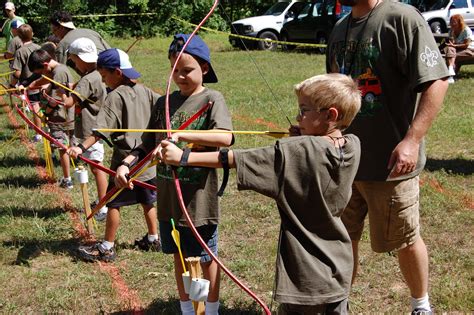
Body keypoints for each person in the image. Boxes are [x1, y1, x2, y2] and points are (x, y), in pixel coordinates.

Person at [153, 73, 361, 314]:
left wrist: (184, 157)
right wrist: (304, 137)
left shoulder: (297, 150)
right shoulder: (352, 145)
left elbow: (234, 158)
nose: (297, 117)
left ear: (331, 115)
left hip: (305, 278)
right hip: (339, 266)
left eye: (304, 110)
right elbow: (317, 152)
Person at [326, 0, 450, 314]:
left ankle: (421, 305)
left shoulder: (401, 18)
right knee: (341, 239)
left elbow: (436, 81)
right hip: (344, 162)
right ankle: (339, 304)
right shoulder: (339, 29)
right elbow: (333, 91)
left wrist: (412, 139)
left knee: (405, 237)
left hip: (391, 163)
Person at [115, 34, 233, 315]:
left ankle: (211, 309)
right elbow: (146, 144)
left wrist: (181, 135)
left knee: (205, 257)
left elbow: (226, 138)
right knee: (180, 254)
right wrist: (126, 165)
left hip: (198, 201)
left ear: (204, 68)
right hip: (169, 199)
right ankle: (188, 309)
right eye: (174, 69)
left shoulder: (212, 99)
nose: (179, 76)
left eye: (187, 69)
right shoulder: (162, 104)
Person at [68, 48, 161, 262]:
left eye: (104, 76)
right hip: (147, 160)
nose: (104, 81)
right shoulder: (146, 91)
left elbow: (100, 131)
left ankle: (107, 246)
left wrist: (81, 148)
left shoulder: (115, 96)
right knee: (147, 201)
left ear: (117, 72)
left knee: (113, 203)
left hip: (124, 164)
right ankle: (153, 237)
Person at [59, 37, 109, 221]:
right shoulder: (97, 75)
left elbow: (69, 103)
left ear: (81, 59)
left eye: (73, 60)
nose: (73, 64)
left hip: (91, 129)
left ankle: (103, 205)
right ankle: (101, 201)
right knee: (95, 165)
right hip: (95, 126)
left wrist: (62, 93)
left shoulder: (87, 79)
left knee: (97, 167)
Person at [28, 49, 75, 189]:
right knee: (67, 146)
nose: (42, 75)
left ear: (45, 64)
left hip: (60, 117)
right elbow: (48, 81)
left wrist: (44, 112)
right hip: (65, 116)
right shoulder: (58, 69)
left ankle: (67, 179)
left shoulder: (58, 72)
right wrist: (33, 85)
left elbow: (56, 100)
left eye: (41, 71)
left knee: (63, 148)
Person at [10, 24, 42, 142]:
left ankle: (39, 133)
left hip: (29, 84)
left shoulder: (20, 52)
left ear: (19, 37)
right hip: (42, 82)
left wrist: (12, 85)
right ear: (32, 34)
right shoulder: (39, 47)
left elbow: (17, 73)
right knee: (42, 105)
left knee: (35, 106)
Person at [444, 14, 474, 83]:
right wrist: (451, 44)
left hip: (469, 50)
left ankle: (450, 75)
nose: (452, 24)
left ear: (459, 22)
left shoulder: (466, 30)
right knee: (450, 50)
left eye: (454, 22)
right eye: (451, 22)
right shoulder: (451, 31)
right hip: (458, 49)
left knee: (450, 56)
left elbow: (466, 45)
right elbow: (452, 44)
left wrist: (454, 46)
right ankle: (451, 70)